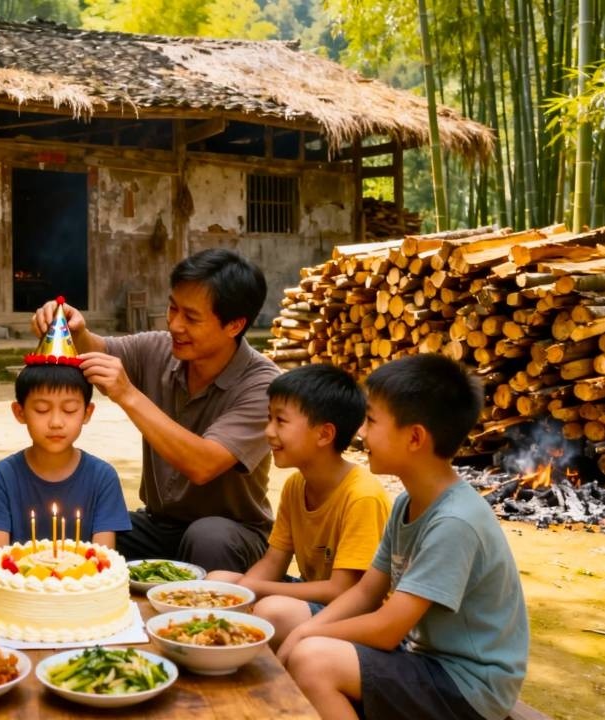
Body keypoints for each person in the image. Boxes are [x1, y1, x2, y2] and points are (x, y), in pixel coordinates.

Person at [279, 354, 529, 720]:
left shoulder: (455, 521)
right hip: (425, 660)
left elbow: (386, 629)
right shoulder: (407, 504)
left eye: (372, 421)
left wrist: (308, 637)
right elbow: (366, 593)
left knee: (314, 660)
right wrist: (306, 629)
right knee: (292, 624)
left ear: (414, 437)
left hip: (470, 687)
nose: (362, 433)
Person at [32, 248, 280, 572]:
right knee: (82, 530)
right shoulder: (159, 349)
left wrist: (128, 394)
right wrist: (74, 330)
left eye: (191, 317)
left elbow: (203, 463)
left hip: (232, 532)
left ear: (234, 325)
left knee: (208, 536)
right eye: (172, 308)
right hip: (157, 524)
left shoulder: (262, 385)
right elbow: (99, 350)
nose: (175, 325)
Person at [206, 363, 389, 650]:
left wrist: (255, 591)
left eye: (280, 421)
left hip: (352, 613)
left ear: (324, 434)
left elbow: (343, 589)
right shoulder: (295, 485)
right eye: (269, 419)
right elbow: (273, 561)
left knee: (274, 611)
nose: (268, 431)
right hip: (312, 598)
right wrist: (241, 594)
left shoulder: (362, 495)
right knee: (217, 582)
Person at [0, 363, 131, 565]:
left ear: (87, 413)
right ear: (20, 412)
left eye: (69, 410)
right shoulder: (1, 477)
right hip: (19, 590)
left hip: (82, 590)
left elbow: (103, 563)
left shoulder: (102, 477)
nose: (56, 422)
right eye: (42, 409)